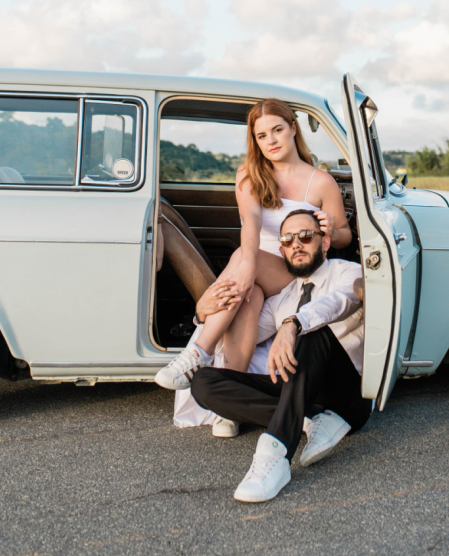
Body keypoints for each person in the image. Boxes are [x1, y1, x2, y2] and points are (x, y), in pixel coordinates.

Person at [155, 98, 352, 390]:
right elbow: (251, 222)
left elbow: (345, 235)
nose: (270, 140)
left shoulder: (321, 182)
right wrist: (248, 267)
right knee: (250, 298)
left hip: (296, 270)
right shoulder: (249, 174)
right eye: (261, 136)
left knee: (247, 261)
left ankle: (198, 352)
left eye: (277, 130)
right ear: (255, 140)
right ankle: (229, 399)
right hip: (257, 267)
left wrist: (332, 231)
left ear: (293, 129)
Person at [191, 209, 369, 502]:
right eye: (287, 240)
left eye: (306, 236)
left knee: (312, 332)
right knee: (203, 382)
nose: (296, 244)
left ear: (324, 243)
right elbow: (234, 336)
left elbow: (336, 304)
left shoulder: (348, 273)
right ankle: (309, 419)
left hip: (348, 395)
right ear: (282, 250)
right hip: (300, 391)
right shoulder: (282, 299)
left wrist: (293, 324)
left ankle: (274, 455)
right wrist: (202, 313)